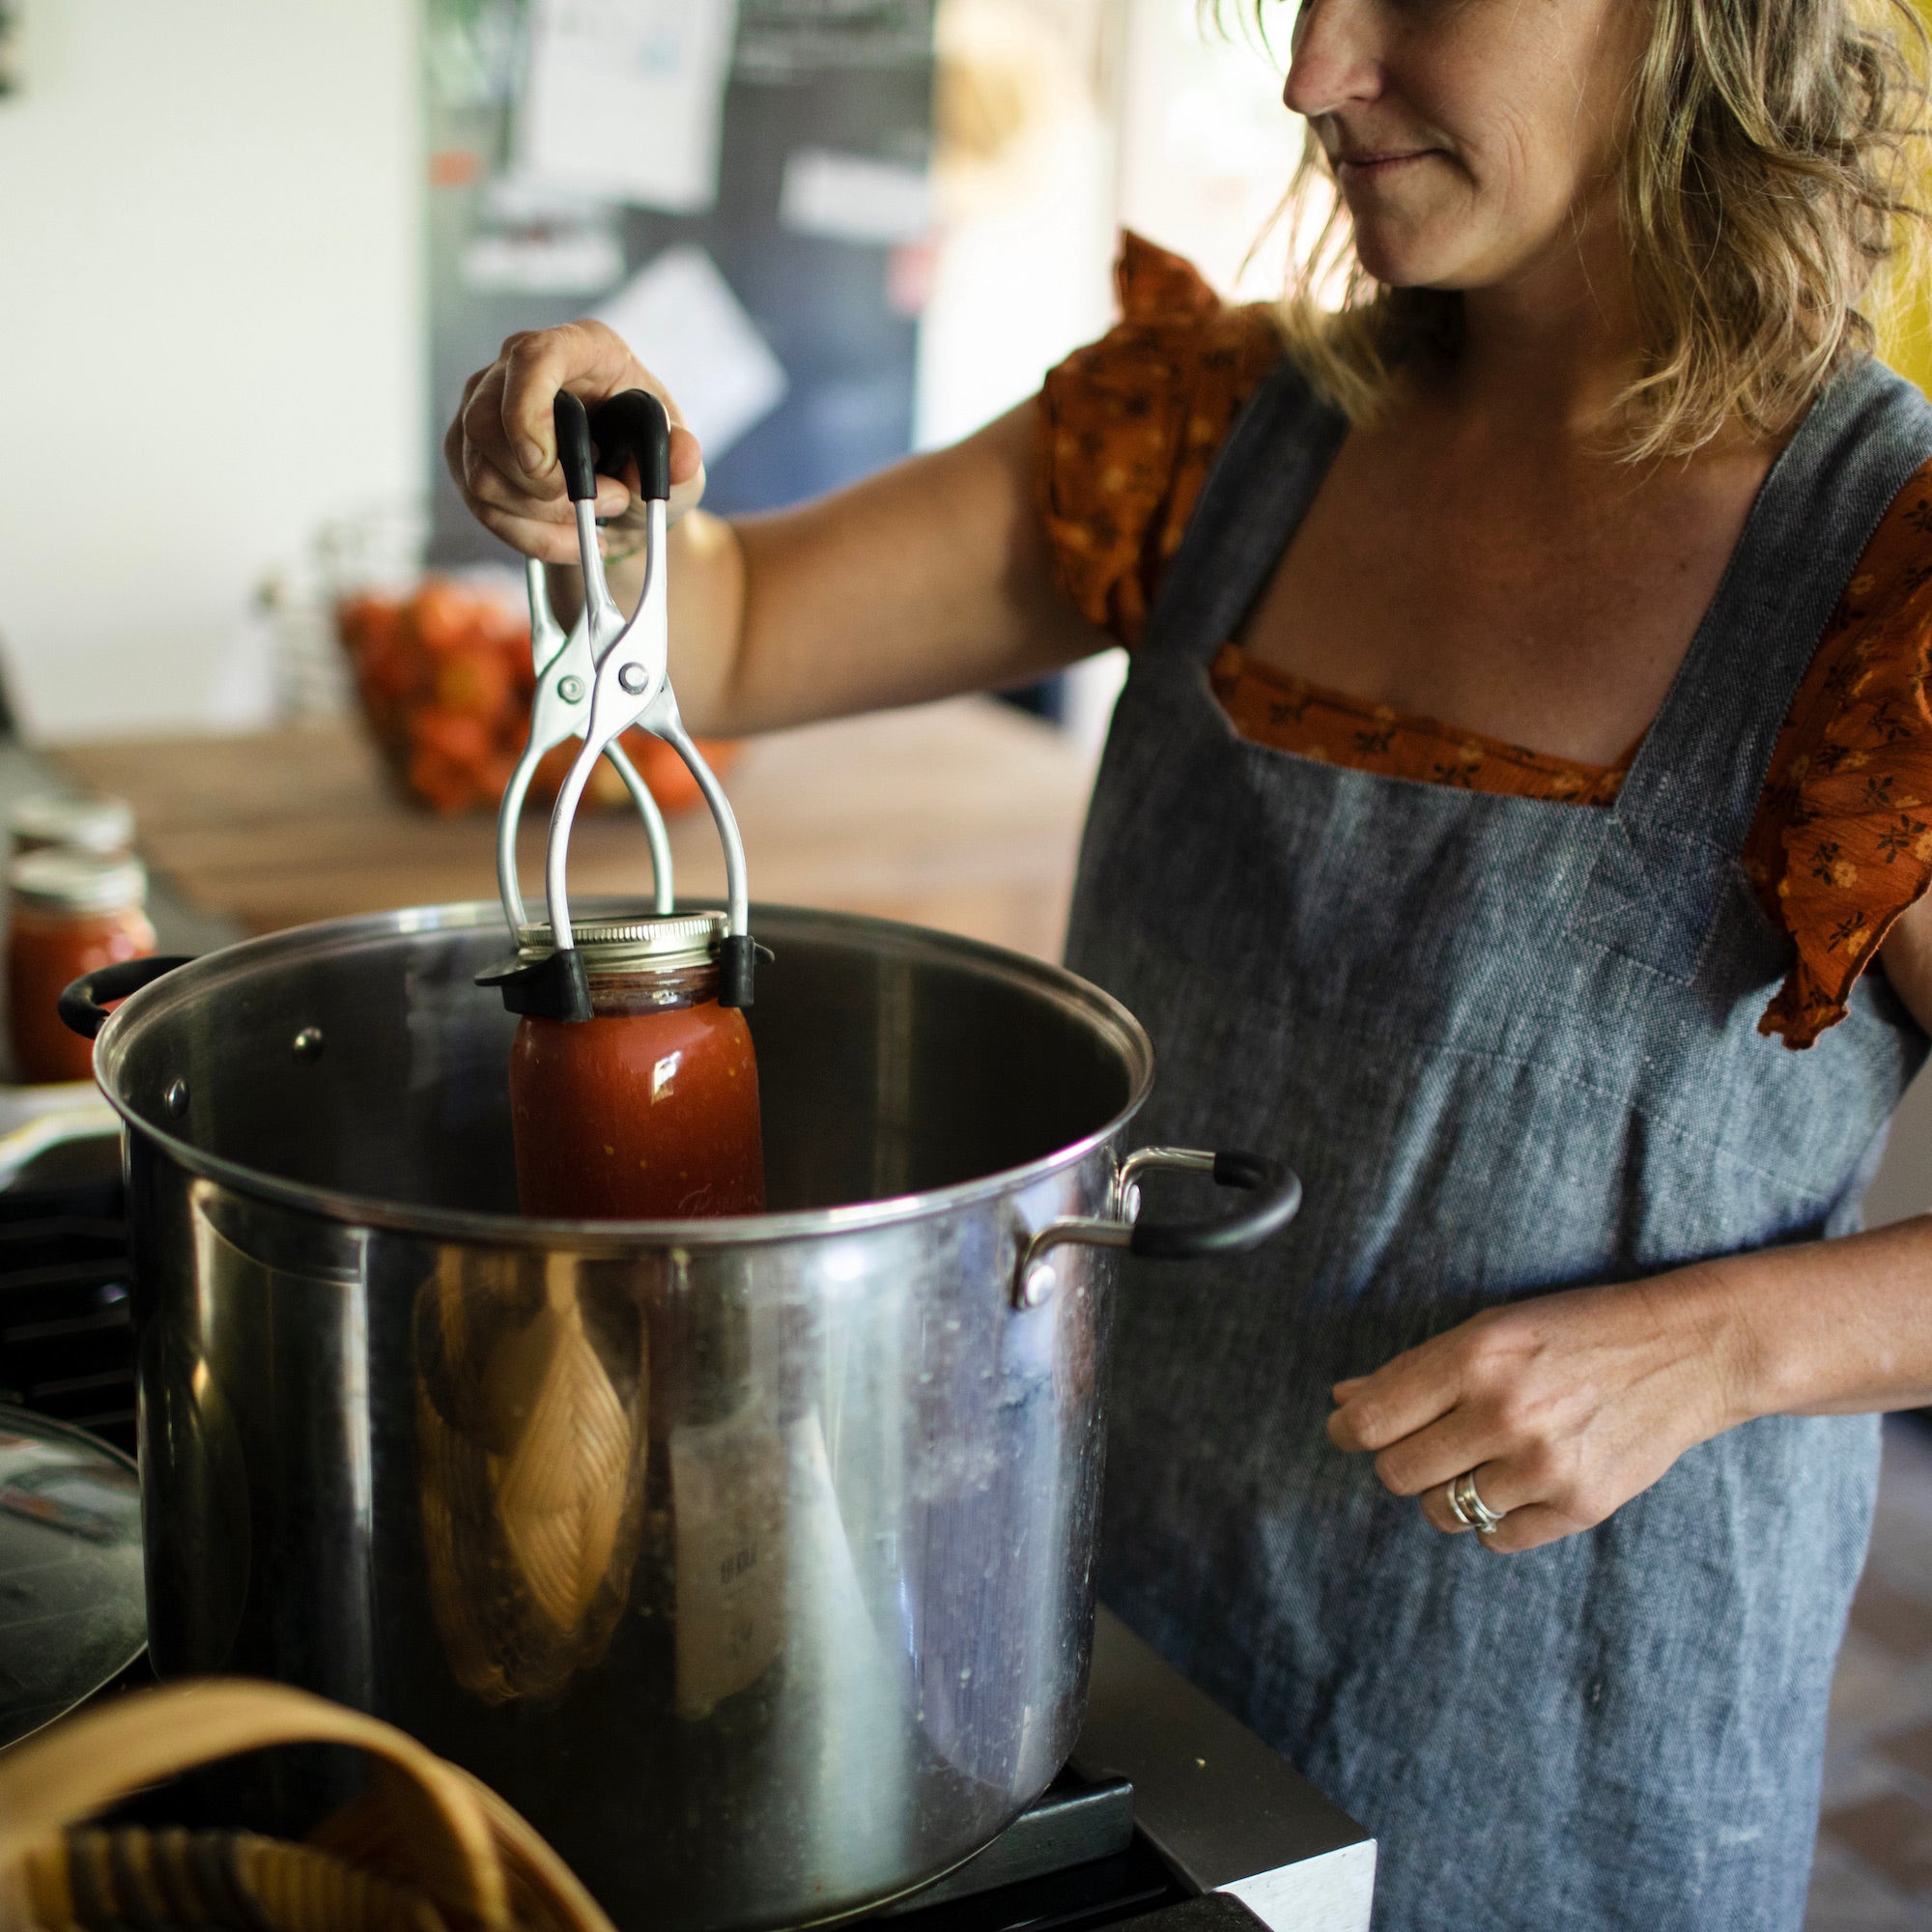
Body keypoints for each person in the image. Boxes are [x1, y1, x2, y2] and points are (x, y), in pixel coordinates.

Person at [445, 0, 1932, 1922]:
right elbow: (718, 636)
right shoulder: (1210, 437)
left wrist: (1724, 1348)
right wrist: (595, 483)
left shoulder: (1879, 583)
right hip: (1073, 1639)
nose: (1315, 74)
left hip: (1542, 1770)